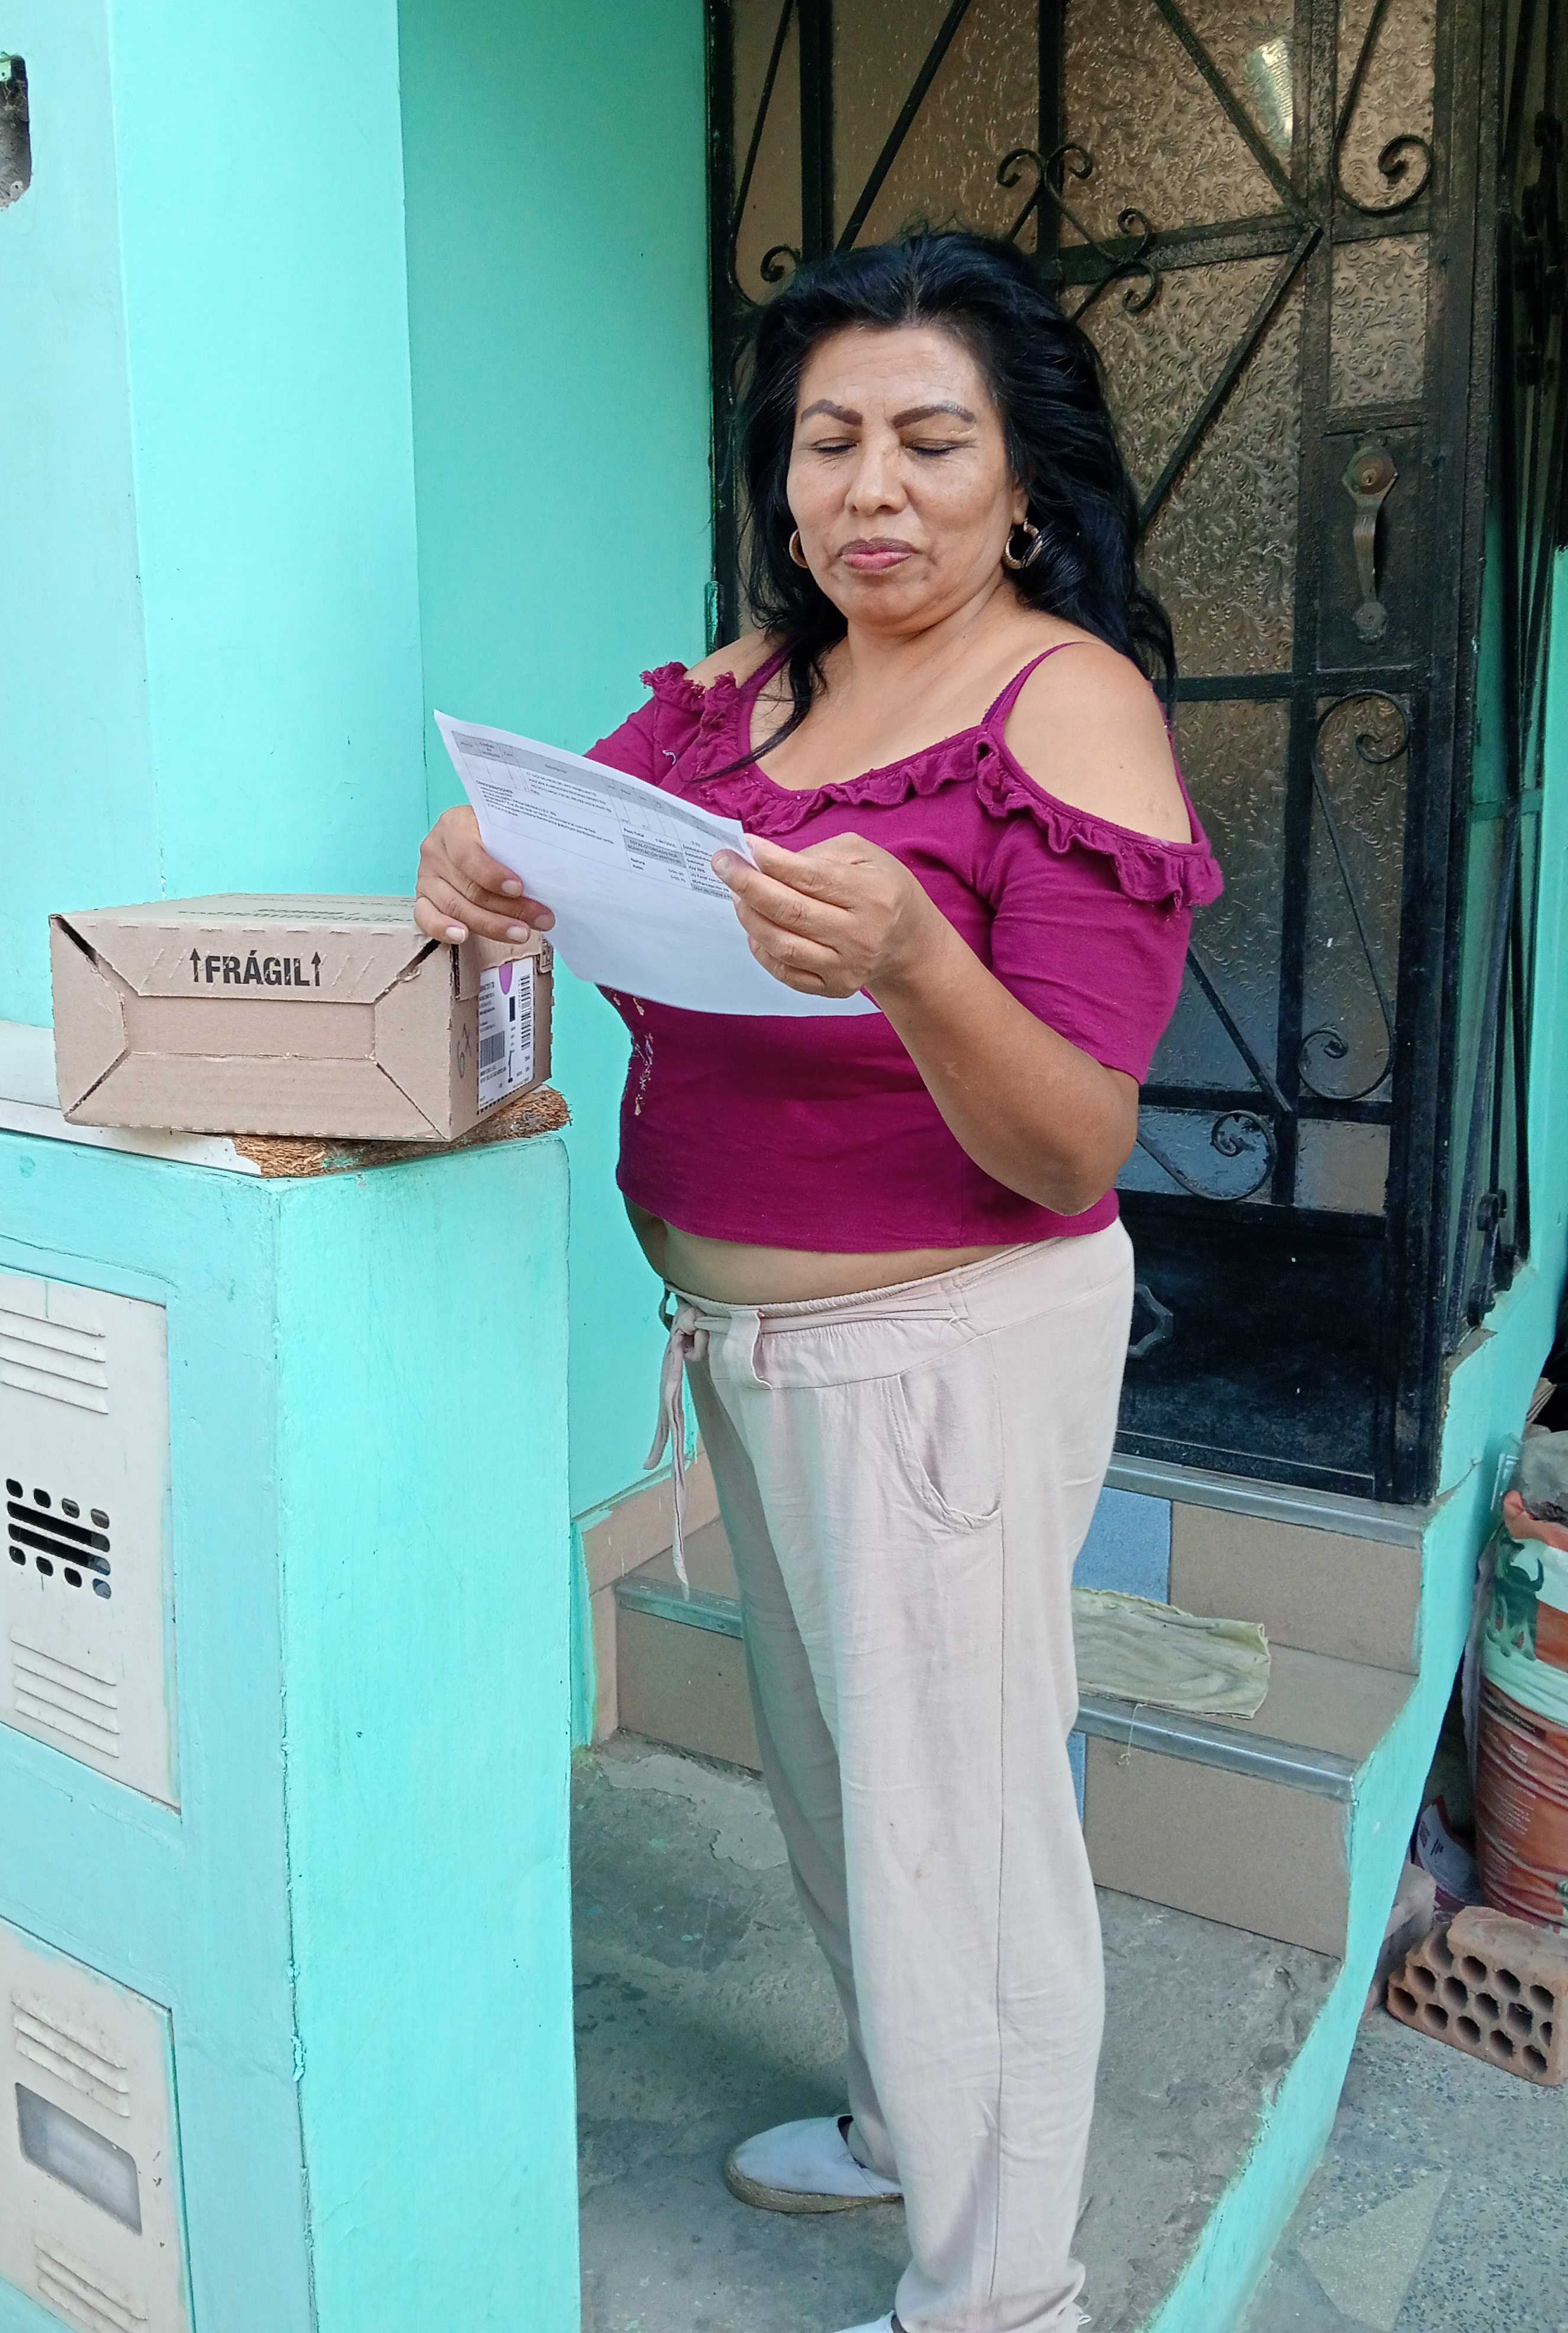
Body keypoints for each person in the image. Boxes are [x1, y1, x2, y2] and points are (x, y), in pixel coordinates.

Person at [415, 230, 1222, 2333]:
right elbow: (567, 853)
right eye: (828, 439)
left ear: (1022, 480)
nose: (873, 489)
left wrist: (917, 960)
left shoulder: (1069, 704)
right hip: (753, 1347)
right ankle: (903, 2126)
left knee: (963, 1846)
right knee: (847, 1791)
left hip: (942, 1353)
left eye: (932, 442)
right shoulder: (747, 686)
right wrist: (482, 871)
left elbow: (1072, 1144)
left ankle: (1002, 2295)